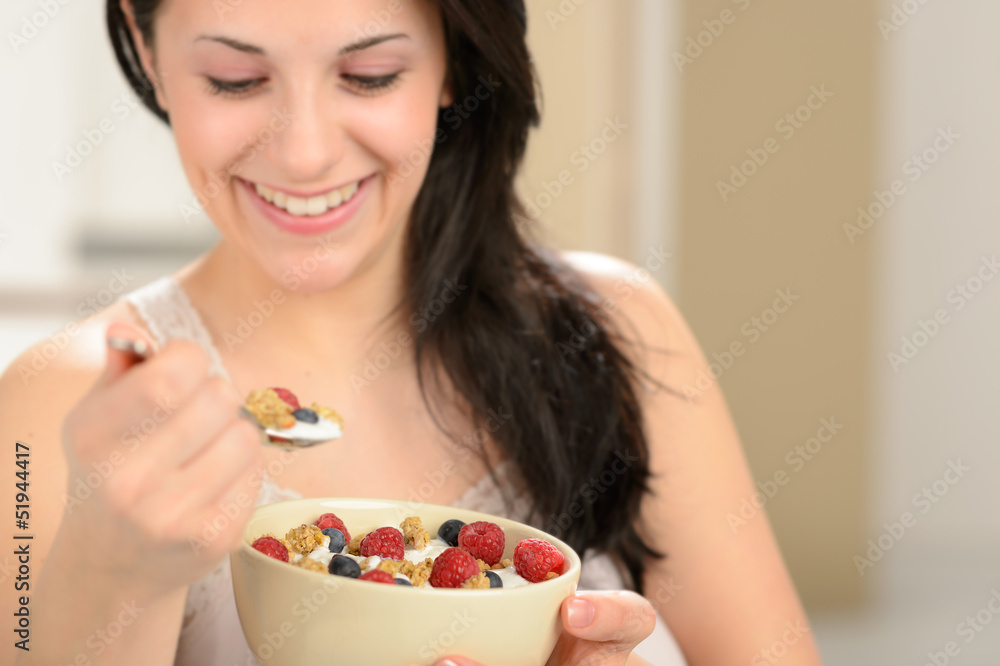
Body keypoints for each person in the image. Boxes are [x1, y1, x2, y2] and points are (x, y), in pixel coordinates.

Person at [0, 0, 825, 664]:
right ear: (151, 58)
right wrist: (112, 572)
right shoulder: (58, 403)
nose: (305, 153)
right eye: (235, 78)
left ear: (450, 62)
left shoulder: (617, 333)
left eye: (369, 74)